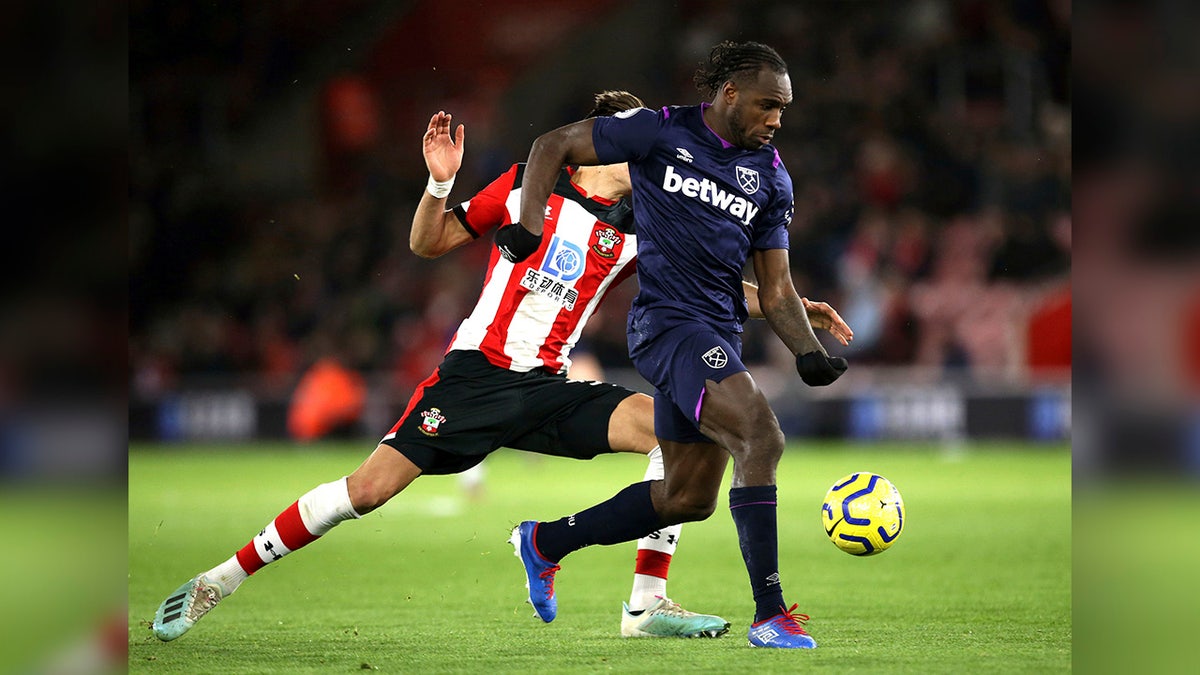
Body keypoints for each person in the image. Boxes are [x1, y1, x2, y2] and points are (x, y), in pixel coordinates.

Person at [150, 90, 851, 643]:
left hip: (550, 386)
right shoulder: (527, 188)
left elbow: (716, 285)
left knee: (680, 444)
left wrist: (796, 304)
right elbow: (431, 242)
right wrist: (437, 183)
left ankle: (645, 602)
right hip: (474, 378)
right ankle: (221, 578)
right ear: (603, 141)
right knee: (362, 492)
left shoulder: (641, 225)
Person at [497, 41, 850, 649]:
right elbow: (549, 146)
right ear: (729, 93)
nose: (776, 121)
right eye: (767, 106)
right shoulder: (658, 131)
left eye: (784, 110)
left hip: (718, 333)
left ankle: (544, 541)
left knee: (686, 497)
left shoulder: (771, 178)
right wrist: (529, 229)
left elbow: (777, 286)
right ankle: (770, 614)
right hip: (666, 327)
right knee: (761, 437)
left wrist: (808, 352)